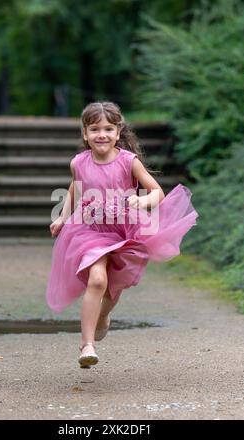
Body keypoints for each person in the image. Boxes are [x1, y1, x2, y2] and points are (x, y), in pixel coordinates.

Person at [46, 101, 199, 368]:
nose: (101, 135)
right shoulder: (78, 163)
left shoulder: (129, 162)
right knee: (96, 280)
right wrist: (62, 216)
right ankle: (87, 345)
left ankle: (103, 315)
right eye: (94, 129)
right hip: (89, 229)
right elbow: (75, 188)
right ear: (85, 134)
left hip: (124, 229)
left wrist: (142, 201)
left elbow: (157, 192)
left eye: (108, 129)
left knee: (112, 287)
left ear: (118, 132)